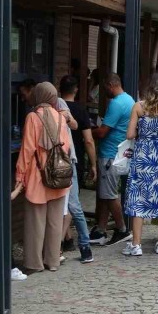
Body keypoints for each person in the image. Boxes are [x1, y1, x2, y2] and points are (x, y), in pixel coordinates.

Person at [14, 82, 72, 272]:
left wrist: (19, 177)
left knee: (35, 223)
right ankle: (52, 261)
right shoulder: (61, 118)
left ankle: (34, 263)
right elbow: (66, 148)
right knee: (55, 222)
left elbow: (27, 151)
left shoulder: (33, 117)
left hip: (38, 176)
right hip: (59, 176)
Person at [122, 74, 158, 256]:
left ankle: (136, 244)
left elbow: (130, 134)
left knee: (138, 197)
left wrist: (141, 132)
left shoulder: (138, 107)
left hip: (143, 156)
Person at [90, 74, 135, 246]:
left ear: (111, 85)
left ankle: (122, 229)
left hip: (110, 154)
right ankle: (101, 230)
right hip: (120, 152)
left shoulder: (116, 104)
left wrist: (87, 131)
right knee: (105, 192)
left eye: (105, 88)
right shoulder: (129, 99)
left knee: (109, 195)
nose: (104, 91)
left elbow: (103, 132)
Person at [57, 78, 95, 263]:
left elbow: (75, 127)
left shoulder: (60, 108)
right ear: (76, 89)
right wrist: (93, 163)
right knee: (73, 205)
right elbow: (88, 139)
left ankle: (66, 243)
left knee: (66, 206)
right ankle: (78, 245)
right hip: (71, 160)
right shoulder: (78, 109)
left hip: (60, 162)